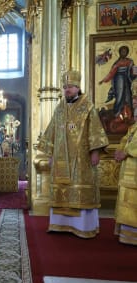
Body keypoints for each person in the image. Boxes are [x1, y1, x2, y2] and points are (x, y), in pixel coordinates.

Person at [37, 70, 109, 238]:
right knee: (62, 191)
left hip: (82, 159)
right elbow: (52, 132)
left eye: (70, 87)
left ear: (78, 87)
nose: (67, 90)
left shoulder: (87, 106)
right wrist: (50, 154)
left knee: (80, 191)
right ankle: (60, 224)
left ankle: (83, 226)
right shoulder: (60, 108)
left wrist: (95, 152)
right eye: (65, 87)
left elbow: (96, 131)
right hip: (61, 160)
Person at [113, 107, 137, 245]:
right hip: (129, 168)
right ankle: (127, 235)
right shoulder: (133, 127)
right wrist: (119, 150)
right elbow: (125, 140)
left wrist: (126, 152)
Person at [99, 45, 135, 117]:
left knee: (128, 95)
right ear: (119, 53)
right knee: (120, 95)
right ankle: (117, 113)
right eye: (122, 51)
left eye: (125, 52)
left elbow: (134, 70)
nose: (124, 53)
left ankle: (129, 114)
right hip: (118, 80)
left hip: (127, 80)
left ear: (127, 53)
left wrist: (134, 73)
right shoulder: (117, 63)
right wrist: (103, 80)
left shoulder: (130, 61)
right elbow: (111, 73)